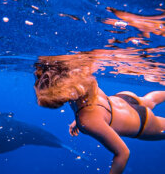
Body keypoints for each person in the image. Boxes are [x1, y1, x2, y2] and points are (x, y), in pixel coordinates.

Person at [33, 56, 165, 174]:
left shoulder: (87, 121)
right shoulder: (81, 84)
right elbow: (88, 109)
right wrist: (79, 120)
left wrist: (81, 120)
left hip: (141, 122)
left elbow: (123, 153)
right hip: (123, 99)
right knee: (149, 100)